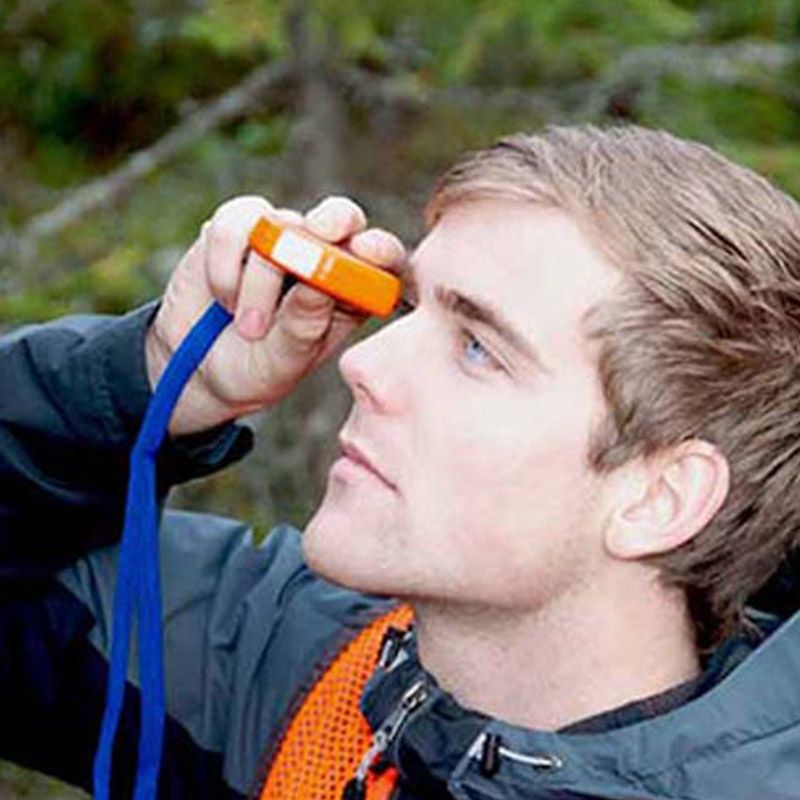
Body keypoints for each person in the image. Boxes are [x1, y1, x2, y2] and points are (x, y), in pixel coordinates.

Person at [2, 123, 800, 799]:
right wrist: (153, 377)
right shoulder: (282, 666)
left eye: (479, 348)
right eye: (413, 308)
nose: (363, 363)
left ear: (660, 498)